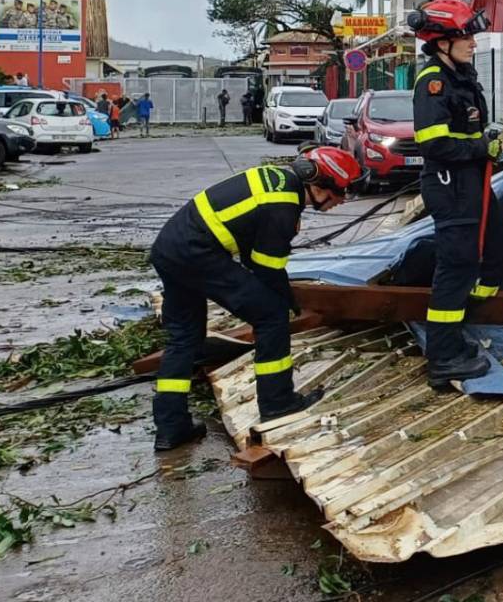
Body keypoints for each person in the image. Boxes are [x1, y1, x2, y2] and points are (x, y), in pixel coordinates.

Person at [149, 146, 361, 450]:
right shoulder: (284, 205)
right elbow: (266, 268)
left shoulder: (277, 181)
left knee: (184, 339)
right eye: (342, 192)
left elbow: (252, 254)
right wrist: (287, 302)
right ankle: (278, 403)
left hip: (171, 249)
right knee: (271, 317)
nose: (341, 201)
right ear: (321, 184)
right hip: (198, 254)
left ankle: (171, 428)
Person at [407, 0, 503, 388]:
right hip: (452, 186)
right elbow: (433, 143)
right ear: (442, 41)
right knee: (457, 266)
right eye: (465, 36)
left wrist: (482, 144)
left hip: (472, 182)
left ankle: (462, 324)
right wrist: (481, 148)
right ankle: (443, 356)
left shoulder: (460, 76)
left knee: (497, 246)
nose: (473, 43)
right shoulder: (433, 82)